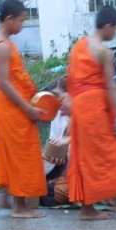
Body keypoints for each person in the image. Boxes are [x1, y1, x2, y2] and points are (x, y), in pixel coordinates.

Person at [67, 5, 116, 220]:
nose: (115, 33)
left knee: (88, 156)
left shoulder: (79, 45)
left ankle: (93, 207)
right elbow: (110, 85)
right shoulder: (103, 52)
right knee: (114, 150)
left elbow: (72, 79)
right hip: (95, 108)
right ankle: (115, 203)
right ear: (108, 26)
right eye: (115, 29)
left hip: (80, 107)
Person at [0, 0, 47, 218]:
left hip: (11, 104)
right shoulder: (2, 46)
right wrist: (27, 108)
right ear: (9, 19)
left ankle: (8, 198)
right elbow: (4, 82)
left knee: (14, 151)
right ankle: (19, 207)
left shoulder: (1, 41)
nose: (23, 25)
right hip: (12, 105)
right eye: (21, 20)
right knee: (21, 151)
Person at [40, 75, 71, 207]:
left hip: (85, 172)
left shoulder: (85, 115)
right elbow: (56, 147)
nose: (57, 102)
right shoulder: (57, 114)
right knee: (38, 189)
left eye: (60, 96)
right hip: (65, 167)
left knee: (47, 195)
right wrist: (56, 157)